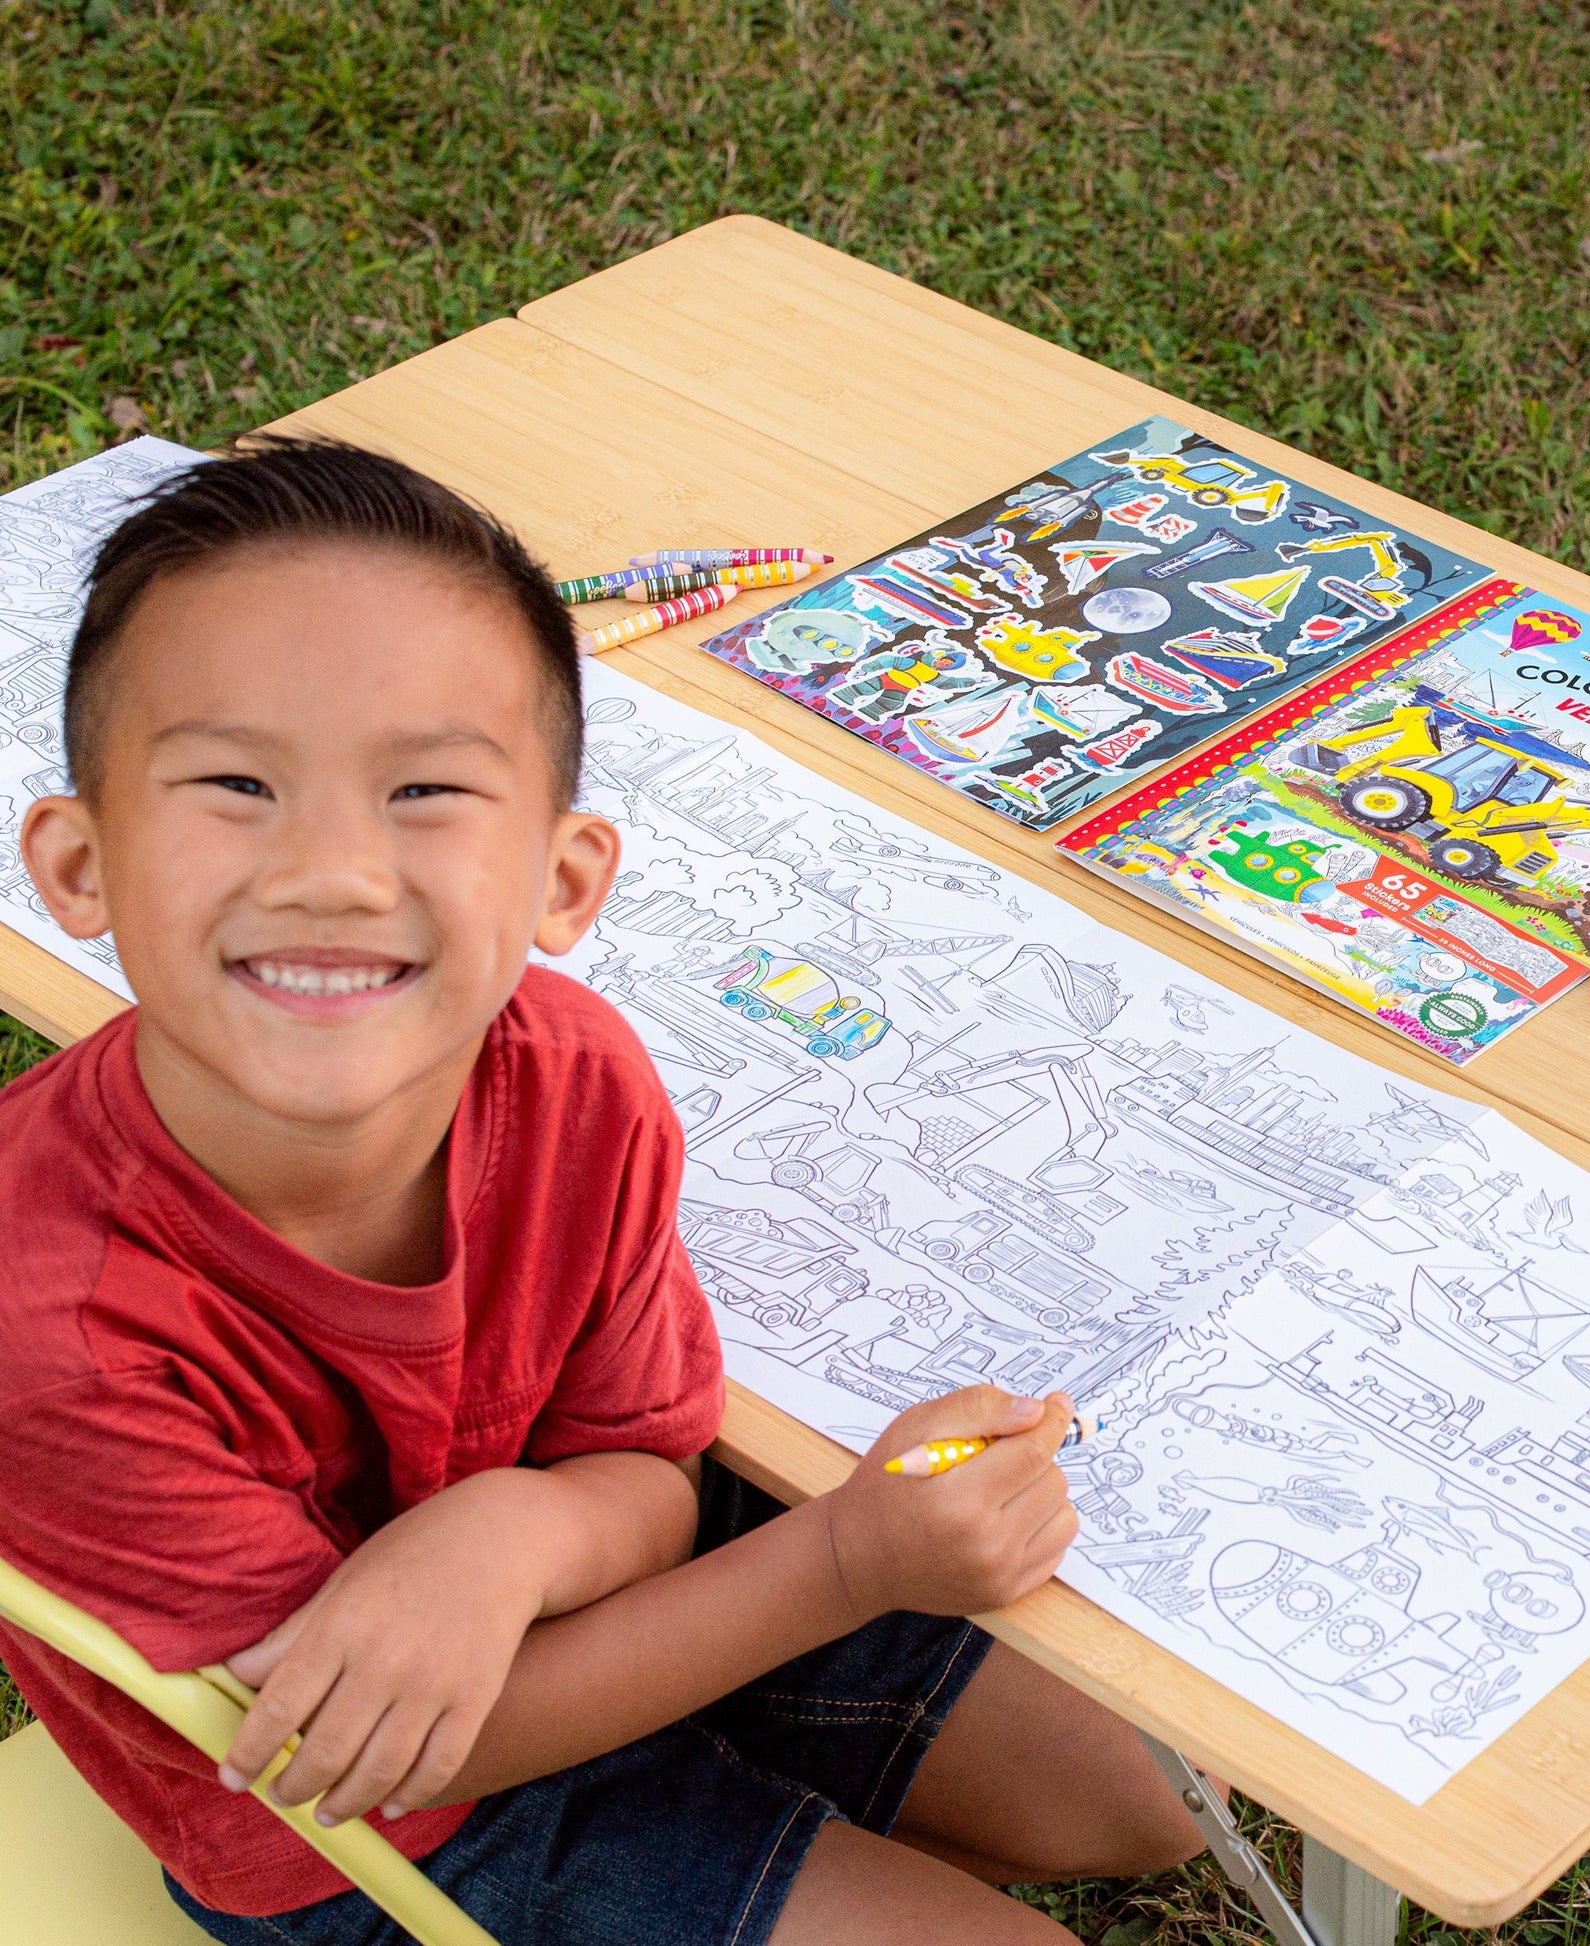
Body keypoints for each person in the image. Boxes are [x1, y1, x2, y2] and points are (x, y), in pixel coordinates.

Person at [0, 439, 1210, 1946]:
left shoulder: (574, 1077)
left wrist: (510, 1533)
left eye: (425, 788)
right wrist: (845, 1559)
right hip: (351, 1825)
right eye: (236, 783)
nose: (334, 872)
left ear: (564, 881)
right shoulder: (44, 1318)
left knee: (1136, 1802)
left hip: (569, 1578)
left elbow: (646, 1461)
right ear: (78, 863)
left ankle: (737, 1791)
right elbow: (358, 1760)